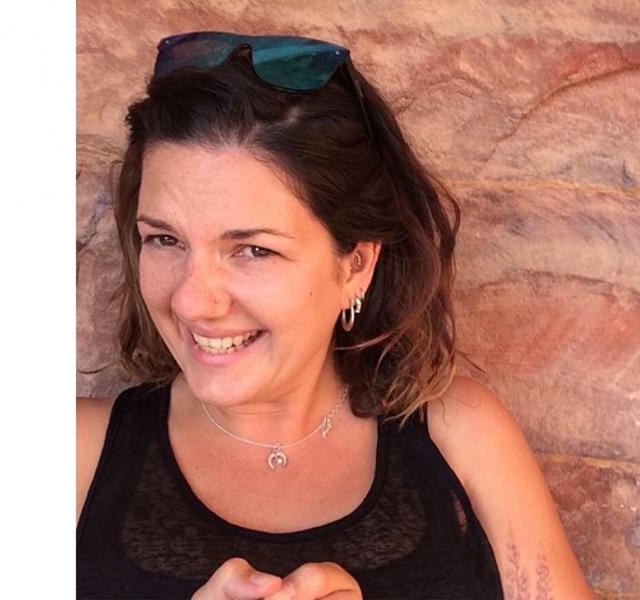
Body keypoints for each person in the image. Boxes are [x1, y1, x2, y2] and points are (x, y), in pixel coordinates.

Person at [76, 31, 593, 599]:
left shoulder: (463, 437)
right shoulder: (71, 455)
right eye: (165, 240)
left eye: (253, 250)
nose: (191, 301)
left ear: (356, 264)